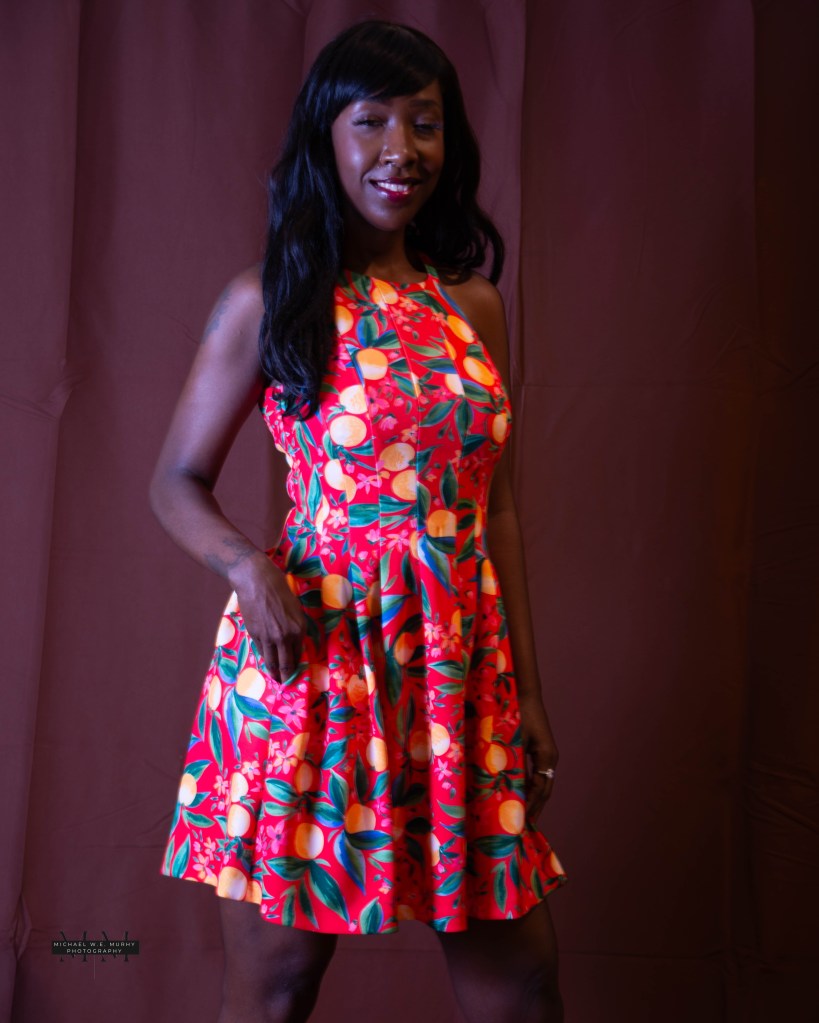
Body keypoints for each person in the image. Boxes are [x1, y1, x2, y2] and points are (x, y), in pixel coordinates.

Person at [151, 19, 567, 1023]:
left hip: (457, 675)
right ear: (325, 139)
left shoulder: (474, 305)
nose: (400, 148)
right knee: (277, 983)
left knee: (519, 984)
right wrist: (247, 568)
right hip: (318, 669)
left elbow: (495, 506)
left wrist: (526, 690)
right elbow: (175, 479)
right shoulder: (269, 300)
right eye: (370, 121)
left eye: (424, 122)